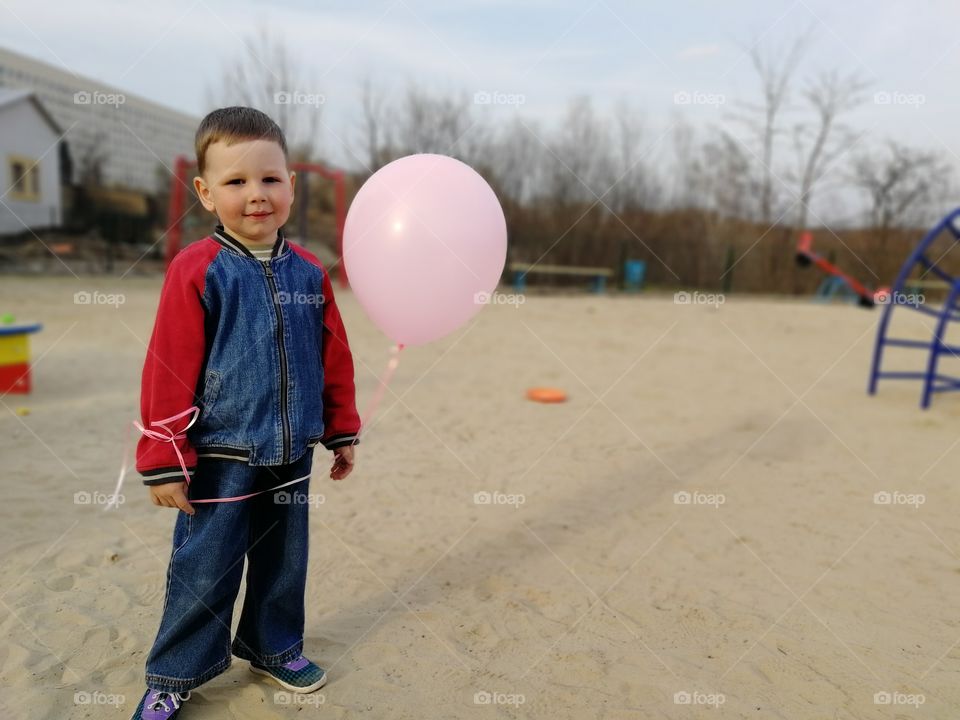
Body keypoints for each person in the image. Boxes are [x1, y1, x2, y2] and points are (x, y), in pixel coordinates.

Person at [129, 106, 361, 720]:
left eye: (269, 179)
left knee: (285, 561)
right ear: (206, 193)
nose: (255, 195)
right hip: (220, 455)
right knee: (204, 567)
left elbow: (333, 356)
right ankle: (175, 674)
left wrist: (341, 431)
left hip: (291, 451)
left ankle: (273, 646)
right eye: (235, 182)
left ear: (291, 186)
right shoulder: (198, 269)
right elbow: (168, 367)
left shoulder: (311, 272)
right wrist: (164, 457)